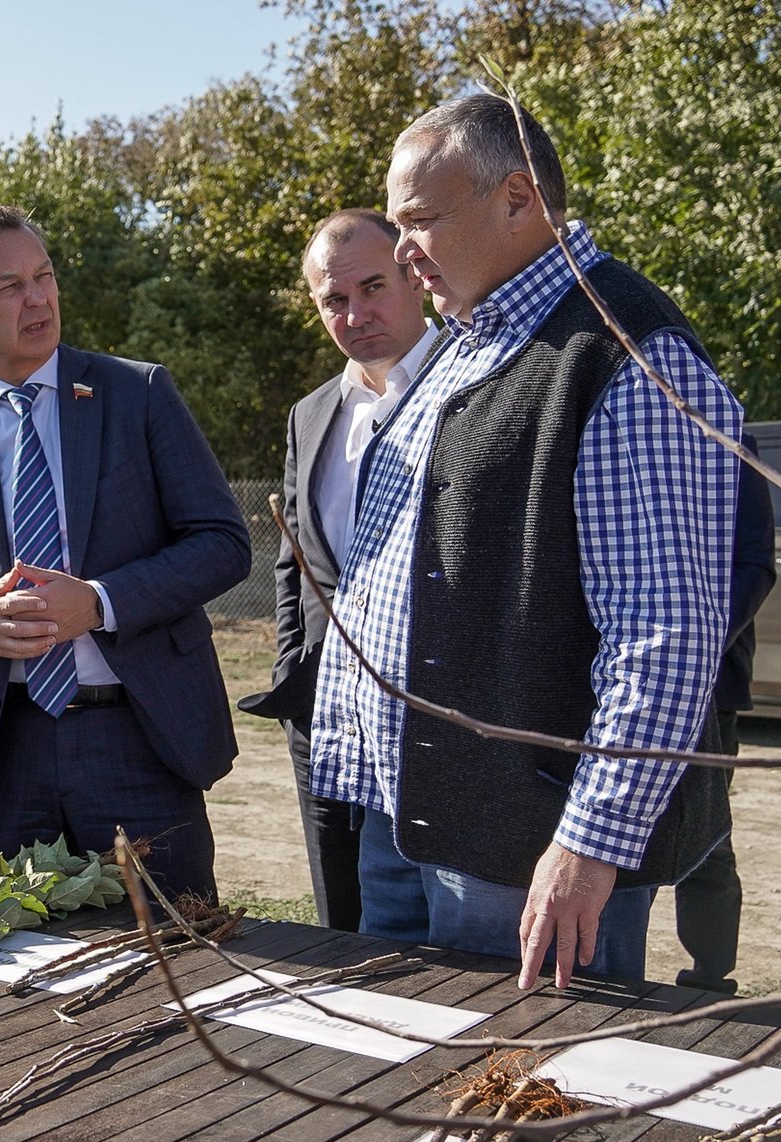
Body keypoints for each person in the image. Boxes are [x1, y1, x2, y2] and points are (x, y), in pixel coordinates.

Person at [311, 94, 742, 990]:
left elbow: (666, 632)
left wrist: (591, 841)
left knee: (521, 1071)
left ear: (518, 198)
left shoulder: (628, 353)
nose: (403, 250)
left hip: (524, 847)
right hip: (410, 818)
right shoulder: (473, 340)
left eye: (419, 220)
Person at [0, 204, 252, 899]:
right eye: (8, 287)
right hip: (7, 753)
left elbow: (223, 544)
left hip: (138, 739)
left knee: (174, 944)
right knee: (29, 958)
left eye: (43, 276)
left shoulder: (136, 395)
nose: (38, 299)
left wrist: (101, 603)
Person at [239, 209, 442, 932]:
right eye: (334, 300)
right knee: (341, 934)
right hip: (326, 720)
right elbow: (294, 559)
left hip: (435, 721)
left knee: (449, 952)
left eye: (373, 287)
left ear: (415, 277)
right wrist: (295, 671)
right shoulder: (312, 413)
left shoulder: (474, 386)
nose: (356, 315)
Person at [674, 435, 775, 993]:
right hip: (609, 669)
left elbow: (755, 564)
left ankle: (710, 972)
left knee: (705, 832)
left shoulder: (730, 440)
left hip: (711, 680)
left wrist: (696, 647)